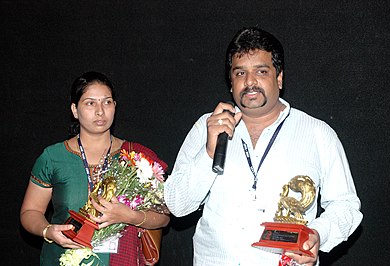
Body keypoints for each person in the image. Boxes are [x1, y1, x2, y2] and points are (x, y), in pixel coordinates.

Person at [164, 27, 362, 266]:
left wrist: (318, 235)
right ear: (230, 82)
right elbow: (177, 205)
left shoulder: (317, 133)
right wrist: (208, 152)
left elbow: (346, 206)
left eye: (261, 71)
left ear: (279, 78)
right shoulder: (207, 127)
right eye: (240, 73)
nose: (249, 82)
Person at [20, 71, 169, 266]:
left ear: (115, 106)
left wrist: (130, 216)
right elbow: (30, 212)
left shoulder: (136, 159)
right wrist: (48, 231)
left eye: (107, 102)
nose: (100, 111)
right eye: (90, 103)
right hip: (62, 259)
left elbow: (164, 218)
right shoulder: (53, 157)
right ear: (75, 109)